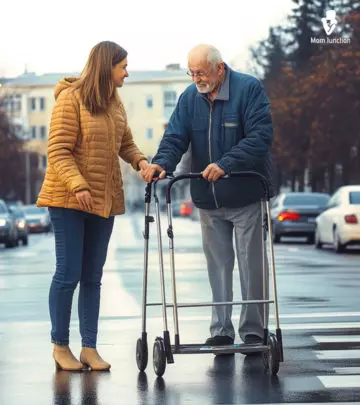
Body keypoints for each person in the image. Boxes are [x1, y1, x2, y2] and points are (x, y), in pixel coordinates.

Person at [142, 44, 274, 349]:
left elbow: (260, 137)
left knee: (251, 265)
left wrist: (226, 164)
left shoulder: (248, 89)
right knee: (218, 266)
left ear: (220, 68)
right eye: (192, 72)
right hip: (208, 199)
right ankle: (221, 330)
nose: (196, 77)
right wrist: (162, 163)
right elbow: (175, 136)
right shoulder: (190, 97)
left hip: (244, 194)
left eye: (201, 71)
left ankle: (254, 330)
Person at [37, 41, 149, 371]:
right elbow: (58, 151)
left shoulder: (114, 103)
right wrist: (78, 184)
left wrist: (141, 162)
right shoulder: (70, 100)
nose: (127, 73)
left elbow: (125, 142)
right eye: (122, 66)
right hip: (69, 199)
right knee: (68, 272)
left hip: (103, 200)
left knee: (93, 276)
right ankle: (60, 346)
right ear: (106, 66)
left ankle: (89, 348)